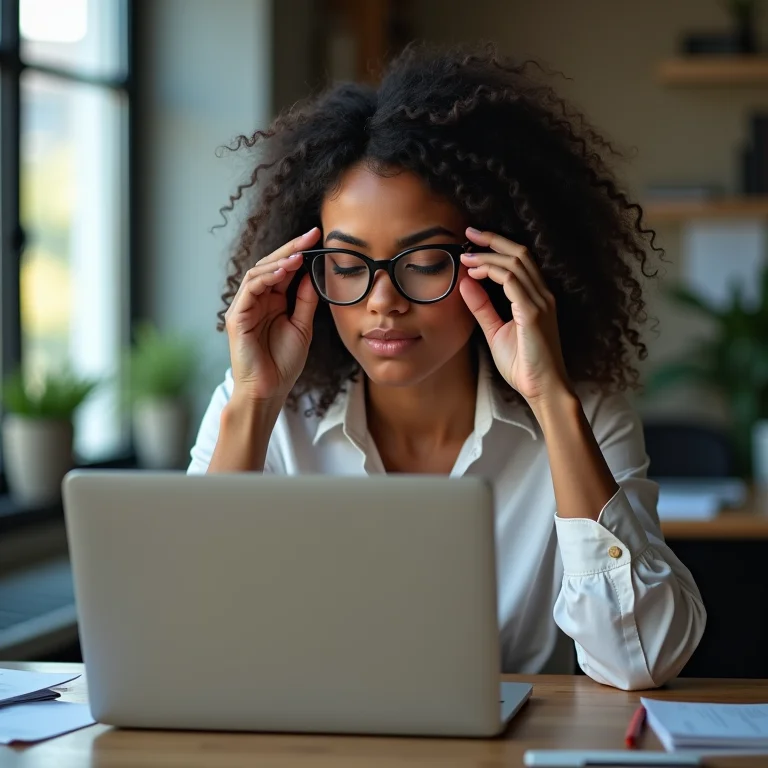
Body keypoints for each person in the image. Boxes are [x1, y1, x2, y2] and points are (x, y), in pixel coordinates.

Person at [189, 43, 705, 690]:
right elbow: (186, 638)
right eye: (347, 266)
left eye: (425, 261)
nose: (383, 302)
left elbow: (642, 659)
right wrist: (257, 403)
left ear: (497, 264)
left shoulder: (584, 414)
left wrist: (551, 400)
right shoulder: (257, 405)